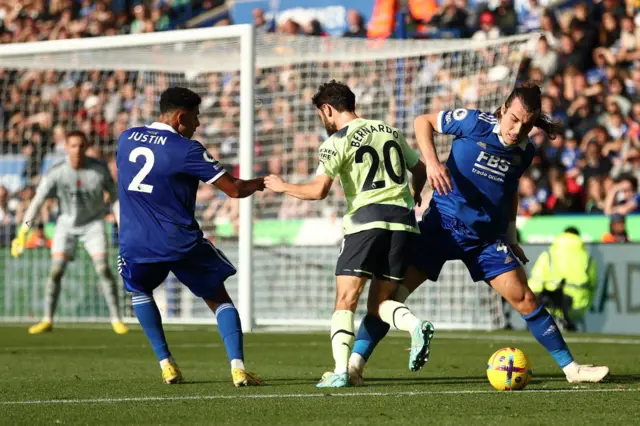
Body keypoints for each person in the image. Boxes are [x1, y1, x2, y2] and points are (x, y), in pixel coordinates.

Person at [347, 82, 609, 385]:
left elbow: (509, 192)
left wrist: (511, 238)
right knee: (391, 297)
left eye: (526, 125)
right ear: (503, 110)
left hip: (484, 240)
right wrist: (431, 163)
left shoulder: (525, 152)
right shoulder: (473, 122)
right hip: (441, 227)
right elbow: (423, 121)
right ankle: (354, 366)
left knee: (526, 299)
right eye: (513, 119)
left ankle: (572, 370)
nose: (516, 130)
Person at [264, 80, 432, 388]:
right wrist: (414, 193)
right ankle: (414, 324)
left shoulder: (336, 141)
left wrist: (282, 186)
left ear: (327, 109)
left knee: (346, 299)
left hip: (366, 224)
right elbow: (420, 169)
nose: (322, 121)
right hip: (405, 224)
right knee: (378, 305)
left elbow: (318, 191)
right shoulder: (388, 130)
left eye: (320, 115)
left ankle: (341, 370)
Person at [116, 87, 265, 386]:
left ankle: (166, 364)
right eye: (195, 117)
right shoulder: (187, 149)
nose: (197, 124)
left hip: (135, 242)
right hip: (179, 241)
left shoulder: (126, 138)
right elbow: (234, 189)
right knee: (219, 299)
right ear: (181, 116)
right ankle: (237, 367)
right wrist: (262, 183)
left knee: (140, 291)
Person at [11, 131, 128, 336]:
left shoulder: (99, 169)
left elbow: (116, 198)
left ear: (87, 146)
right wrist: (24, 230)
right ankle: (47, 319)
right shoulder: (56, 172)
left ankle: (116, 319)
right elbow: (37, 203)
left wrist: (123, 225)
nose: (78, 150)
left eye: (81, 146)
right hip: (65, 225)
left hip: (94, 225)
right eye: (73, 146)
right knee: (56, 271)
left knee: (103, 268)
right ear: (66, 148)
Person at [529, 227, 598, 331]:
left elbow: (536, 280)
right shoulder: (587, 257)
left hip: (552, 302)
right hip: (578, 303)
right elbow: (593, 284)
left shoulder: (549, 254)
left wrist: (533, 299)